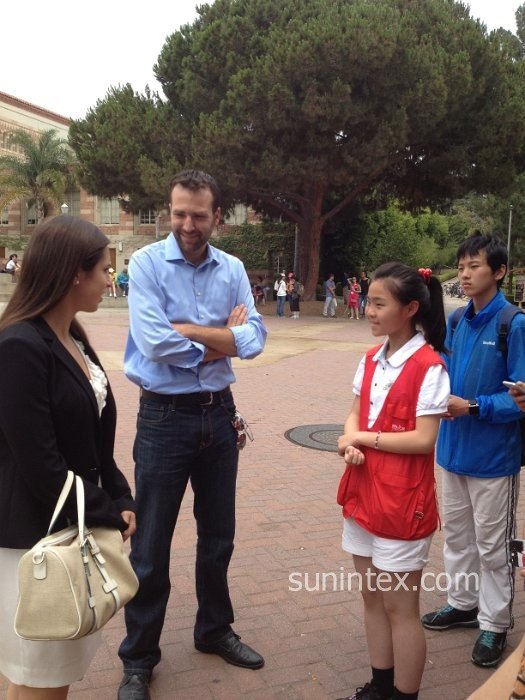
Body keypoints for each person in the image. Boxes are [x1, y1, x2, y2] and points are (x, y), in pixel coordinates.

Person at [118, 170, 267, 700]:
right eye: (179, 212)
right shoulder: (146, 263)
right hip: (163, 417)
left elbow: (256, 338)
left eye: (198, 215)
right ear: (170, 210)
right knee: (150, 545)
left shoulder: (234, 268)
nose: (186, 224)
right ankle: (138, 659)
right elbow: (155, 343)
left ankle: (213, 630)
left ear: (216, 216)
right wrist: (224, 337)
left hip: (219, 415)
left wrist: (193, 332)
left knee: (219, 536)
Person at [0, 215, 136, 700]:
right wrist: (107, 510)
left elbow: (96, 444)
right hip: (36, 544)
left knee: (34, 679)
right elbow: (41, 465)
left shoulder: (73, 337)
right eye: (103, 269)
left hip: (70, 531)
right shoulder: (19, 345)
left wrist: (123, 497)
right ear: (74, 273)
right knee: (42, 682)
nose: (108, 278)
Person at [337, 262, 450, 700]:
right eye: (368, 301)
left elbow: (424, 439)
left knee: (400, 606)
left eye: (379, 304)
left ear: (410, 309)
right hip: (363, 490)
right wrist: (349, 441)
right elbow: (354, 412)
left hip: (403, 502)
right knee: (372, 596)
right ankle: (380, 685)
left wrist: (362, 438)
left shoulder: (429, 366)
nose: (369, 310)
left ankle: (405, 695)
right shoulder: (371, 359)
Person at [421, 233, 525, 669]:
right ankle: (463, 603)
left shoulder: (513, 324)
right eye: (461, 266)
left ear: (499, 272)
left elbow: (520, 398)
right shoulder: (458, 319)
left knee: (492, 545)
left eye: (474, 266)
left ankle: (495, 623)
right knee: (458, 537)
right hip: (452, 452)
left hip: (493, 458)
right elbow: (443, 371)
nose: (464, 274)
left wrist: (474, 406)